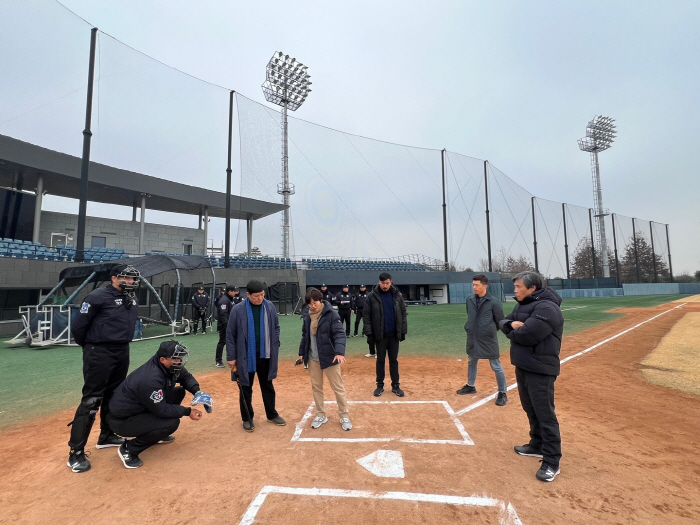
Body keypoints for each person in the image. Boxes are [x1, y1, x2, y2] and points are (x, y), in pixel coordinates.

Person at [66, 264, 140, 473]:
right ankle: (75, 453)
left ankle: (106, 435)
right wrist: (92, 347)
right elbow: (79, 327)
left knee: (114, 395)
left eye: (133, 279)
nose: (131, 282)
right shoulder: (97, 297)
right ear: (115, 278)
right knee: (92, 399)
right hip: (99, 352)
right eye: (127, 278)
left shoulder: (132, 298)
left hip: (121, 351)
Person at [499, 271, 564, 483]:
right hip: (524, 365)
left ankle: (552, 461)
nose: (515, 291)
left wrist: (511, 330)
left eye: (518, 287)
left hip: (540, 369)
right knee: (530, 409)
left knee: (545, 414)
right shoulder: (522, 305)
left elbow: (527, 336)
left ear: (532, 288)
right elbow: (504, 321)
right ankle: (536, 444)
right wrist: (511, 325)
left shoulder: (547, 308)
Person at [107, 340, 212, 469]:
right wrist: (188, 411)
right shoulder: (151, 378)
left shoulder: (169, 366)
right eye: (175, 358)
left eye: (180, 357)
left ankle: (157, 433)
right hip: (123, 421)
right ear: (163, 359)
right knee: (172, 423)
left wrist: (197, 391)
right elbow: (162, 410)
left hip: (141, 409)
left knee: (178, 392)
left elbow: (186, 377)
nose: (179, 361)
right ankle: (129, 449)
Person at [226, 280, 286, 432]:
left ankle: (272, 414)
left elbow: (276, 327)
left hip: (265, 355)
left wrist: (275, 343)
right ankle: (247, 418)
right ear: (248, 295)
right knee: (245, 387)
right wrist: (231, 357)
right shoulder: (238, 310)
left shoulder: (269, 306)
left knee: (268, 386)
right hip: (245, 356)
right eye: (257, 296)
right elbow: (230, 334)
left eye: (262, 295)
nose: (260, 298)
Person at [296, 288, 351, 431]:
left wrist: (339, 352)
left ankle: (344, 415)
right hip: (313, 358)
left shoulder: (331, 314)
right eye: (310, 303)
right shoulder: (307, 316)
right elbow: (305, 336)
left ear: (321, 300)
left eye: (315, 303)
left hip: (330, 357)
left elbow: (339, 333)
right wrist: (302, 353)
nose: (313, 306)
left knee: (338, 388)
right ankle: (321, 414)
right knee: (317, 388)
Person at [457, 274, 507, 406]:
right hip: (473, 337)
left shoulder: (494, 302)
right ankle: (470, 386)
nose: (474, 287)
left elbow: (499, 321)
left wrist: (487, 330)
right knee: (472, 361)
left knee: (496, 365)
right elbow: (471, 316)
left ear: (485, 286)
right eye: (473, 285)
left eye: (477, 285)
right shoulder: (469, 300)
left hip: (488, 339)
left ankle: (502, 392)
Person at [363, 272, 407, 397]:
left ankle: (396, 385)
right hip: (380, 335)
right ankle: (379, 386)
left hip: (393, 335)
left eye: (387, 283)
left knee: (394, 360)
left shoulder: (397, 296)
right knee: (380, 361)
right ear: (379, 282)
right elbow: (366, 316)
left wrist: (402, 331)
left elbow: (403, 314)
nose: (385, 286)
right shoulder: (372, 297)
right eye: (383, 283)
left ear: (390, 282)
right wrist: (369, 333)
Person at [215, 285, 237, 367]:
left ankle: (232, 358)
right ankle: (218, 361)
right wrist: (228, 326)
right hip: (224, 326)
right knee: (222, 342)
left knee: (231, 342)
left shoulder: (230, 300)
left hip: (230, 325)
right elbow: (223, 315)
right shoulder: (224, 301)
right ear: (230, 291)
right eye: (234, 291)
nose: (235, 293)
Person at [354, 284, 375, 357]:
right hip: (364, 312)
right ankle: (372, 352)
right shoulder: (369, 296)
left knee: (377, 338)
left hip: (375, 319)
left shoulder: (370, 296)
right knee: (370, 339)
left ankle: (379, 353)